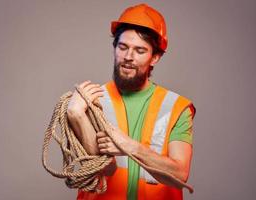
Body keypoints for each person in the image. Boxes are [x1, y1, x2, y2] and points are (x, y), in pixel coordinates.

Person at [67, 3, 195, 200]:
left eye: (140, 51)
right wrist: (76, 116)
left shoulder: (177, 107)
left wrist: (129, 146)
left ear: (155, 57)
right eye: (123, 47)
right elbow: (105, 170)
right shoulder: (91, 100)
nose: (128, 57)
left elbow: (179, 175)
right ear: (115, 48)